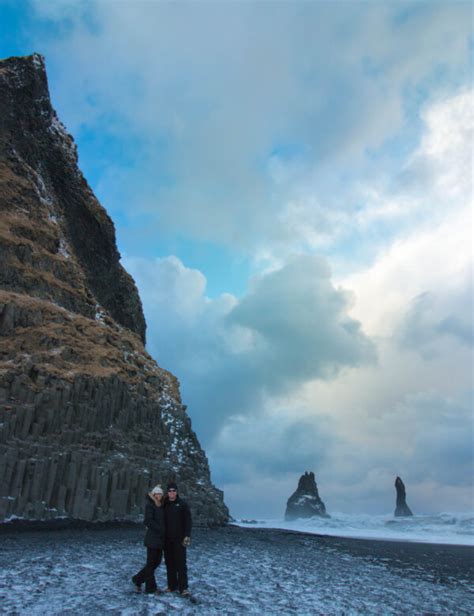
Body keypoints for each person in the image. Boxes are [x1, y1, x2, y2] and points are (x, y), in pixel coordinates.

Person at [132, 485, 165, 594]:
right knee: (151, 563)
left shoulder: (161, 506)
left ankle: (138, 579)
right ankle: (151, 588)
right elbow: (148, 521)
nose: (158, 495)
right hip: (152, 538)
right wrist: (160, 529)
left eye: (160, 494)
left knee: (156, 562)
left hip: (160, 540)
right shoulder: (150, 505)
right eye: (157, 494)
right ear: (153, 495)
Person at [163, 481, 192, 596]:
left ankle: (183, 588)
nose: (171, 492)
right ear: (167, 492)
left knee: (181, 564)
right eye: (169, 490)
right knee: (169, 563)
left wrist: (187, 536)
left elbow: (188, 521)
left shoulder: (182, 504)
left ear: (177, 492)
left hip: (179, 539)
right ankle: (171, 586)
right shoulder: (164, 504)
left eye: (173, 490)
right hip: (167, 539)